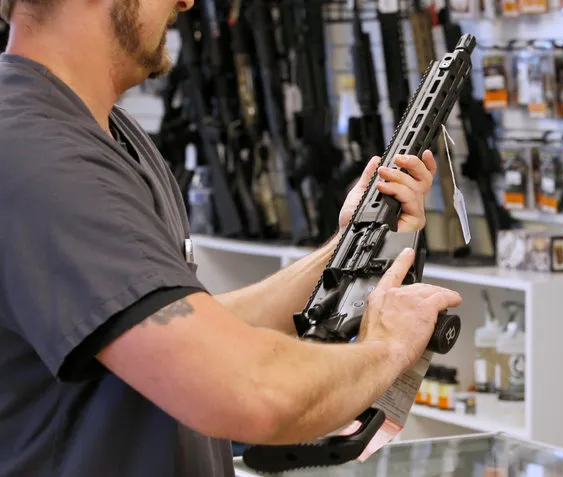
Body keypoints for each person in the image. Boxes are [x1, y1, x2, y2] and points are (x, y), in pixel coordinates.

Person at [0, 0, 463, 475]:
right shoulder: (41, 157)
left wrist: (348, 240)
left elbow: (178, 332)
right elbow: (252, 393)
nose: (186, 2)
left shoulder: (111, 136)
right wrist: (388, 347)